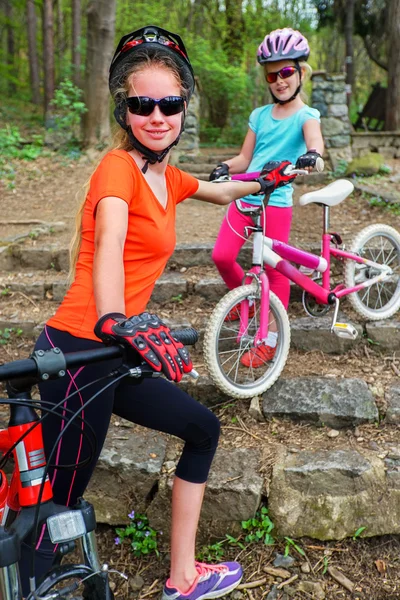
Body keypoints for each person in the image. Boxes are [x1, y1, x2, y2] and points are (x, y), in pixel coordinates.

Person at [18, 25, 284, 600]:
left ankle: (183, 577)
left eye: (170, 103)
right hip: (78, 348)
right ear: (125, 109)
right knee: (61, 495)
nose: (157, 116)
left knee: (202, 428)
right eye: (143, 104)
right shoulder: (118, 168)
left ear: (184, 107)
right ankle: (30, 583)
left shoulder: (167, 175)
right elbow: (110, 239)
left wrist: (263, 180)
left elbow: (219, 191)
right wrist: (114, 318)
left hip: (116, 350)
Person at [210, 27, 324, 367]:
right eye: (272, 74)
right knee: (221, 256)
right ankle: (244, 303)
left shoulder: (307, 116)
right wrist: (224, 166)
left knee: (275, 273)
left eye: (287, 71)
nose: (279, 80)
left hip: (275, 202)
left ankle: (270, 337)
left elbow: (315, 145)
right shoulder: (260, 116)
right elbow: (245, 160)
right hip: (246, 196)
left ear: (301, 72)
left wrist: (312, 157)